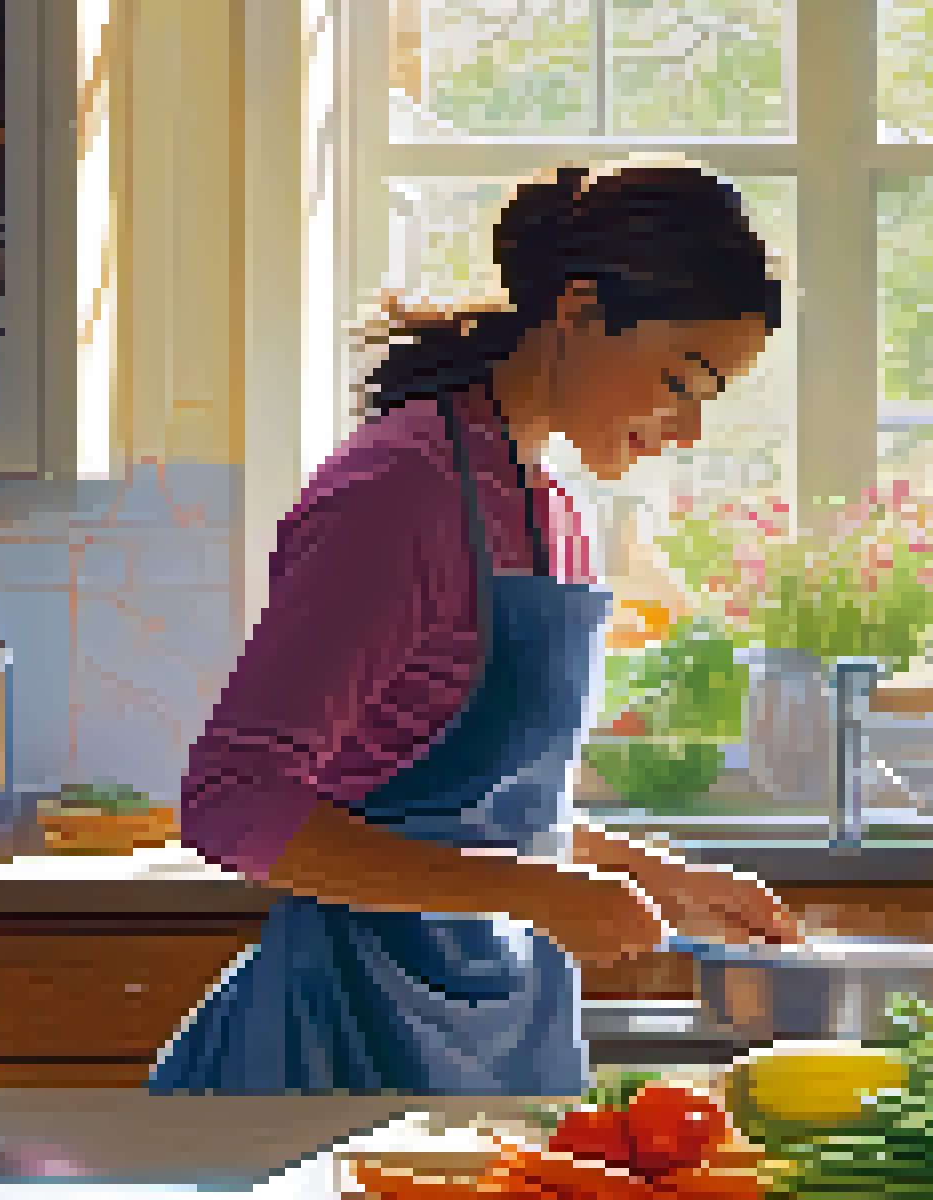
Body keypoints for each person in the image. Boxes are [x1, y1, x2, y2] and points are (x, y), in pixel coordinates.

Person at [152, 162, 803, 1096]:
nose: (687, 429)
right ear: (578, 311)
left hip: (490, 1041)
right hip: (332, 1052)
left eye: (710, 398)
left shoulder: (556, 516)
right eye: (678, 380)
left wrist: (649, 871)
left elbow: (466, 810)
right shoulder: (398, 495)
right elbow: (232, 800)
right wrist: (536, 893)